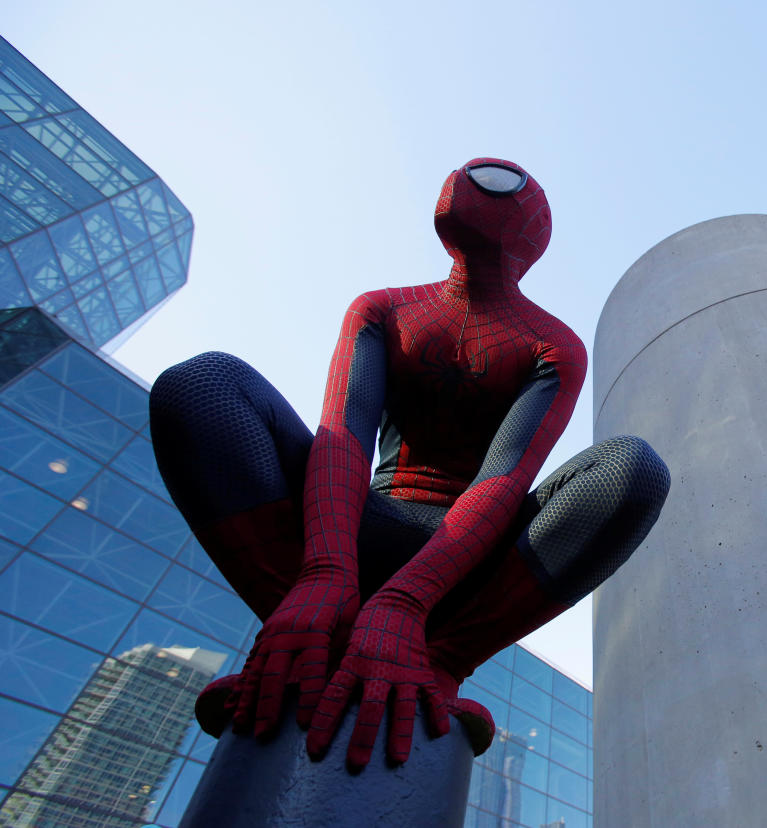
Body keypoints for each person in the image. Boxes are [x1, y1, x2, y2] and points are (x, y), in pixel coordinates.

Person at [149, 158, 670, 768]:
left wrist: (407, 604)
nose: (489, 183)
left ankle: (436, 663)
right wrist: (324, 573)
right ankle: (304, 635)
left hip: (470, 557)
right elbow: (342, 436)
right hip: (355, 519)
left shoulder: (552, 345)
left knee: (632, 470)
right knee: (204, 384)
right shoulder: (383, 308)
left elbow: (502, 482)